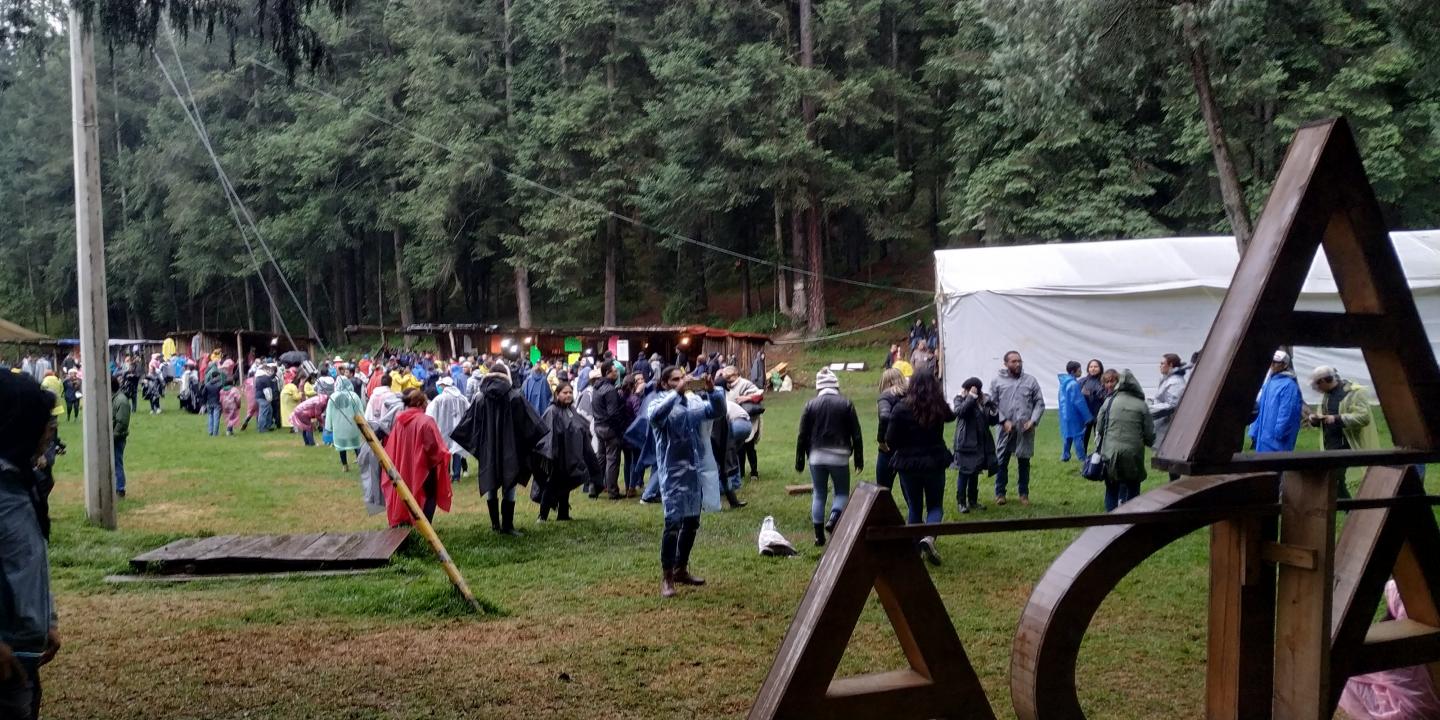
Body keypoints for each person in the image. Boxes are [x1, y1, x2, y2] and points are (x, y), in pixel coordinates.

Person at [0, 372, 62, 720]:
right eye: (41, 420)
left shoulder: (23, 482)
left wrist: (47, 619)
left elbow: (29, 560)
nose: (49, 429)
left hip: (24, 652)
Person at [647, 367, 725, 598]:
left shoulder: (693, 403)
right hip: (671, 473)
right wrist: (676, 393)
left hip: (694, 473)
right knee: (672, 523)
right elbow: (654, 417)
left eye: (683, 378)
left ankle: (681, 568)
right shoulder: (658, 402)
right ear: (664, 383)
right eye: (675, 380)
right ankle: (667, 576)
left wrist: (712, 392)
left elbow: (717, 412)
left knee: (692, 522)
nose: (681, 382)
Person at [451, 362, 542, 536]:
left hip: (488, 449)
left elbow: (471, 425)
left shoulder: (480, 398)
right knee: (510, 485)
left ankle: (495, 525)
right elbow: (529, 424)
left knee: (491, 482)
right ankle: (507, 526)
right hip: (511, 449)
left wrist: (479, 447)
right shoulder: (515, 396)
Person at [887, 369, 955, 565]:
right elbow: (951, 416)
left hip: (908, 463)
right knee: (935, 505)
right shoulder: (938, 406)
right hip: (934, 461)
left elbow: (890, 439)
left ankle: (914, 545)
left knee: (914, 506)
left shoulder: (901, 408)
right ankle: (929, 537)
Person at [795, 368, 864, 547]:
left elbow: (802, 434)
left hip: (816, 456)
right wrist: (858, 458)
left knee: (818, 493)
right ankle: (834, 518)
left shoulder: (810, 405)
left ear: (818, 387)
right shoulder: (846, 403)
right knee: (841, 492)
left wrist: (800, 459)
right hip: (840, 456)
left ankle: (818, 536)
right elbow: (856, 433)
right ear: (836, 385)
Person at [381, 390, 453, 527]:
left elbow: (392, 447)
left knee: (405, 496)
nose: (427, 405)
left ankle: (406, 524)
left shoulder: (399, 421)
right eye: (425, 402)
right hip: (423, 469)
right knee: (429, 497)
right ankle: (424, 527)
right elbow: (435, 448)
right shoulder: (426, 421)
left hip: (403, 467)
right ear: (420, 403)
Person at [533, 382, 601, 522]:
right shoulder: (552, 411)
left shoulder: (571, 410)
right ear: (557, 394)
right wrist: (552, 455)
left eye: (570, 392)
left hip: (570, 456)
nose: (568, 395)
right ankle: (543, 515)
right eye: (565, 393)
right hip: (557, 457)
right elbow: (548, 435)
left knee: (567, 483)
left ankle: (563, 514)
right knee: (551, 485)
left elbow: (579, 429)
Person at [1096, 369, 1155, 511]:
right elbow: (1149, 433)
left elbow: (1099, 426)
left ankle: (1110, 522)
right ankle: (1131, 523)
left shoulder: (1109, 402)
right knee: (1133, 488)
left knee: (1111, 489)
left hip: (1110, 452)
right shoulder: (1141, 405)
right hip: (1133, 454)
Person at [991, 351, 1044, 506]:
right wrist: (1003, 421)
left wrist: (1033, 421)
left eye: (1019, 361)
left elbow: (1039, 403)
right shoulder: (997, 381)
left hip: (1024, 429)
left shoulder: (1030, 381)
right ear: (1006, 363)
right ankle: (1000, 493)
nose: (1018, 364)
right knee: (1002, 461)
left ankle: (1023, 493)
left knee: (1024, 461)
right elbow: (992, 405)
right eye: (1013, 361)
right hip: (1005, 429)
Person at [951, 376, 998, 514]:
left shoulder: (983, 401)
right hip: (965, 442)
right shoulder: (959, 399)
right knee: (964, 472)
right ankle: (961, 502)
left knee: (975, 472)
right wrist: (970, 397)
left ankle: (973, 501)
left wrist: (993, 408)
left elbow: (992, 421)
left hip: (981, 442)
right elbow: (961, 412)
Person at [1251, 350, 1304, 453]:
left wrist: (1280, 433)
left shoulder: (1289, 385)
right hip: (1263, 435)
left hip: (1277, 439)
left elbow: (1287, 412)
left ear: (1284, 365)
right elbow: (1260, 408)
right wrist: (1255, 429)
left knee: (1275, 465)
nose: (1272, 365)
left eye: (1276, 362)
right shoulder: (1269, 382)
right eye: (1271, 361)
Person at [1149, 353, 1189, 480]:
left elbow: (1172, 404)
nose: (1160, 366)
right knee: (1170, 460)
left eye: (1162, 363)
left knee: (1173, 459)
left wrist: (1150, 410)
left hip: (1171, 424)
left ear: (1171, 365)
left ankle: (1175, 486)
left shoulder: (1176, 382)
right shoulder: (1168, 379)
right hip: (1166, 423)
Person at [722, 366, 765, 482]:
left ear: (735, 375)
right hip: (734, 420)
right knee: (739, 449)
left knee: (749, 447)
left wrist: (745, 398)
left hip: (749, 419)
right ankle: (740, 473)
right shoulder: (726, 387)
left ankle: (754, 473)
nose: (727, 379)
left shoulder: (745, 383)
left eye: (728, 377)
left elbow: (760, 394)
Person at [589, 362, 625, 500]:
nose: (617, 373)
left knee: (601, 458)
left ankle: (594, 488)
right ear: (607, 373)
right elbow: (613, 413)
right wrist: (619, 427)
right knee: (612, 460)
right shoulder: (610, 390)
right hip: (609, 428)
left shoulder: (596, 387)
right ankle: (613, 491)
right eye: (614, 371)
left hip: (598, 426)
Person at [426, 377, 471, 486]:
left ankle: (446, 475)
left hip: (443, 428)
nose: (439, 388)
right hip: (458, 428)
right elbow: (469, 410)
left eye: (440, 386)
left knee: (445, 452)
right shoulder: (461, 397)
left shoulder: (439, 399)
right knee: (456, 452)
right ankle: (456, 475)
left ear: (444, 386)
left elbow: (430, 414)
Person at [875, 368, 906, 491]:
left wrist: (881, 441)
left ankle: (884, 510)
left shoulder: (886, 396)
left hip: (889, 448)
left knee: (883, 490)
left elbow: (884, 416)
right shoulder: (911, 395)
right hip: (908, 447)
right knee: (910, 492)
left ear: (886, 382)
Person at [325, 376, 365, 471]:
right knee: (356, 445)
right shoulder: (354, 396)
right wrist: (362, 424)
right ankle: (361, 463)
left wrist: (329, 427)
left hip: (339, 427)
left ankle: (345, 466)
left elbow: (329, 414)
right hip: (352, 426)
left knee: (341, 446)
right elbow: (359, 411)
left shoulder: (333, 397)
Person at [1057, 361, 1093, 463]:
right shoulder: (1074, 384)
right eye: (1079, 370)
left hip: (1065, 414)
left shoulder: (1064, 383)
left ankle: (1065, 455)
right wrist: (1088, 416)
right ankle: (1082, 458)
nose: (1081, 372)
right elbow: (1079, 401)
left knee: (1068, 435)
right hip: (1074, 415)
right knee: (1078, 436)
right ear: (1073, 371)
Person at [1079, 360, 1106, 453]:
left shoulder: (1105, 381)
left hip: (1100, 413)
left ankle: (1099, 455)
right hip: (1085, 414)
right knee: (1084, 436)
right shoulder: (1082, 381)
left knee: (1099, 436)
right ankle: (1083, 457)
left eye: (1095, 366)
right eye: (1091, 366)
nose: (1093, 369)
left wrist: (1094, 394)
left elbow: (1107, 396)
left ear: (1100, 368)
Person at [111, 374, 130, 498]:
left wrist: (113, 436)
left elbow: (122, 422)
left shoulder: (121, 400)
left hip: (117, 438)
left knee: (117, 462)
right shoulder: (115, 398)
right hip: (113, 436)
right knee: (114, 463)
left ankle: (120, 489)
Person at [254, 365, 277, 433]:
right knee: (263, 413)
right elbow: (269, 383)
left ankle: (267, 425)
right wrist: (273, 375)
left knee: (269, 410)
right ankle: (262, 428)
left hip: (260, 396)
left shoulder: (258, 376)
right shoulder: (264, 377)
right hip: (263, 397)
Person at [202, 371, 225, 437]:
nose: (220, 377)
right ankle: (215, 433)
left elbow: (204, 394)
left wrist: (204, 403)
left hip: (209, 403)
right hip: (217, 403)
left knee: (210, 417)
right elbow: (222, 394)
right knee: (216, 418)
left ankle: (210, 432)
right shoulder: (220, 385)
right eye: (219, 376)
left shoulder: (207, 384)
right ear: (216, 376)